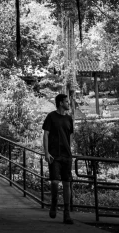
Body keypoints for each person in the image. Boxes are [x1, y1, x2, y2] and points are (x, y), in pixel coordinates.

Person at [42, 93, 74, 225]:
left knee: (67, 184)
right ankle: (54, 203)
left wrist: (69, 149)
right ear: (60, 103)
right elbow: (46, 135)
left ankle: (67, 213)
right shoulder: (51, 117)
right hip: (54, 155)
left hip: (66, 156)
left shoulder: (69, 118)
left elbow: (71, 135)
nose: (68, 104)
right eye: (67, 102)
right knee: (54, 182)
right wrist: (46, 152)